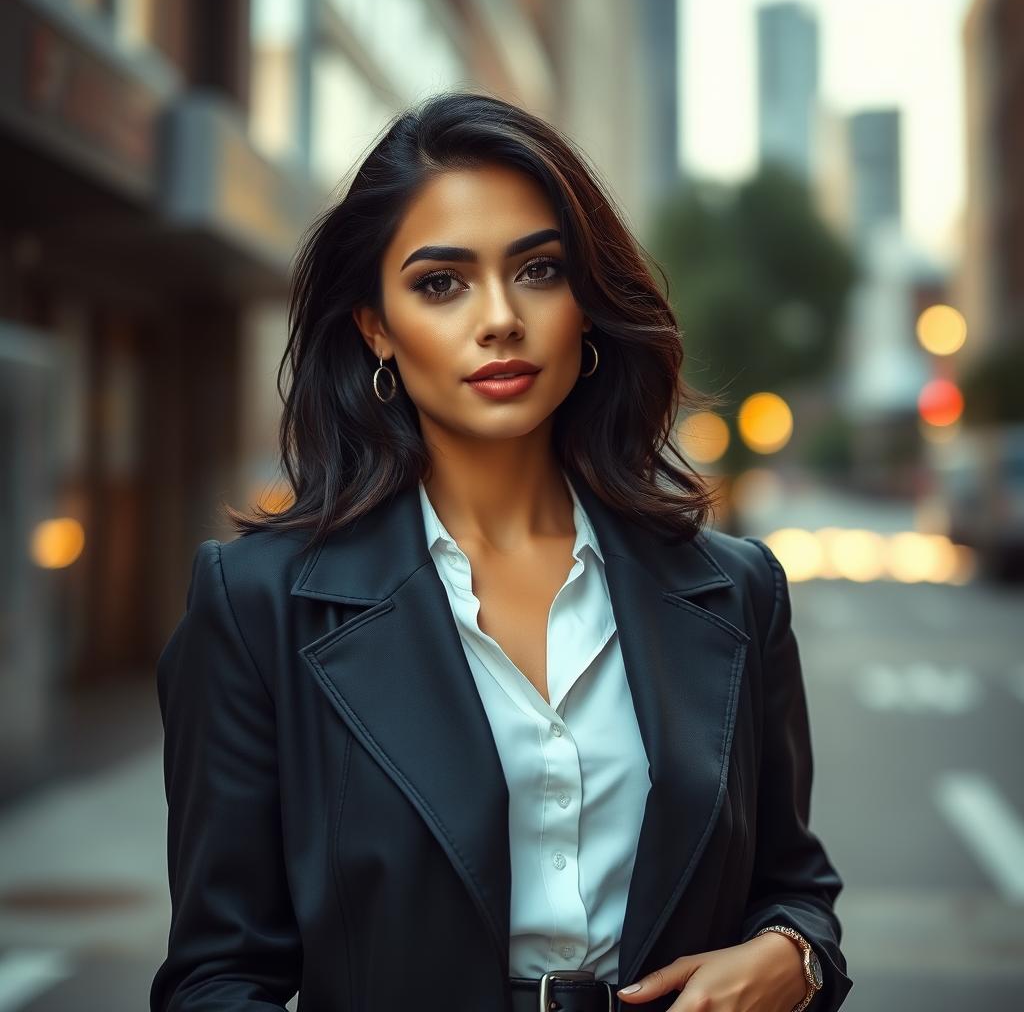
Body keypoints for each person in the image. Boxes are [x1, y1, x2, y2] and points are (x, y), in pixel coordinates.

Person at [150, 90, 851, 1012]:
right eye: (441, 283)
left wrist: (794, 959)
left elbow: (793, 887)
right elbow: (217, 977)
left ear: (588, 306)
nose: (499, 320)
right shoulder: (257, 605)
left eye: (540, 271)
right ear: (375, 327)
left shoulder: (737, 589)